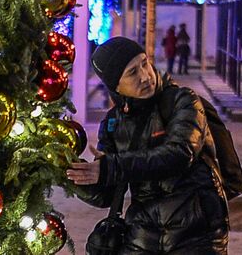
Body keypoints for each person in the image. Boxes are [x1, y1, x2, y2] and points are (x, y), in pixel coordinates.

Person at [66, 36, 229, 254]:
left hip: (196, 232)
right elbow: (107, 195)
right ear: (116, 87)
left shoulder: (183, 101)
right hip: (143, 235)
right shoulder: (113, 124)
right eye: (132, 73)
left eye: (144, 63)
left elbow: (180, 154)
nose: (145, 76)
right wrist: (73, 174)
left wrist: (111, 167)